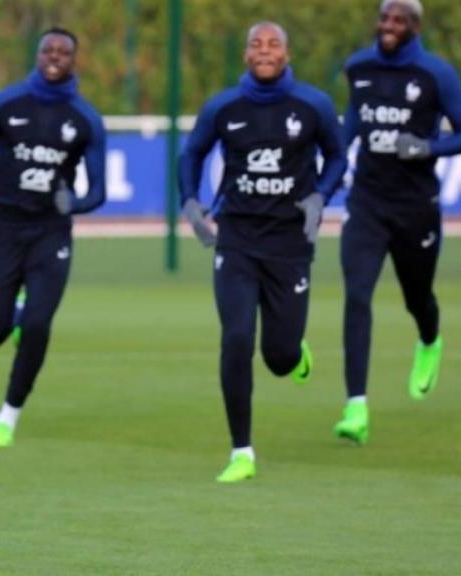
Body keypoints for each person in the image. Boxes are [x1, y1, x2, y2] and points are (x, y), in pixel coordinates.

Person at [178, 22, 346, 482]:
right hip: (237, 239)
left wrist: (320, 196)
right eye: (256, 43)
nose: (264, 50)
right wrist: (190, 201)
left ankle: (295, 354)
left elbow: (337, 156)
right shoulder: (223, 106)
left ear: (287, 54)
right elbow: (190, 155)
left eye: (273, 44)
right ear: (246, 55)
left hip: (290, 244)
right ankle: (242, 451)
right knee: (235, 338)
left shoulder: (312, 104)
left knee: (279, 357)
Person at [335, 0, 461, 445]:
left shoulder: (437, 74)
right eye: (384, 18)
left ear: (415, 27)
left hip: (416, 206)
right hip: (367, 203)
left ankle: (429, 338)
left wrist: (426, 148)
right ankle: (356, 406)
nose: (388, 26)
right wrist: (332, 163)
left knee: (417, 297)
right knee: (357, 294)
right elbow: (355, 120)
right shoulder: (358, 66)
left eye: (399, 20)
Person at [0, 27, 106, 448]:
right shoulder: (6, 103)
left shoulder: (86, 118)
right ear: (37, 54)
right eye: (49, 49)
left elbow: (99, 191)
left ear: (74, 60)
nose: (55, 56)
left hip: (51, 233)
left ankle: (9, 412)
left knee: (40, 324)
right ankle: (17, 312)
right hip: (4, 229)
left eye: (64, 51)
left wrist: (74, 204)